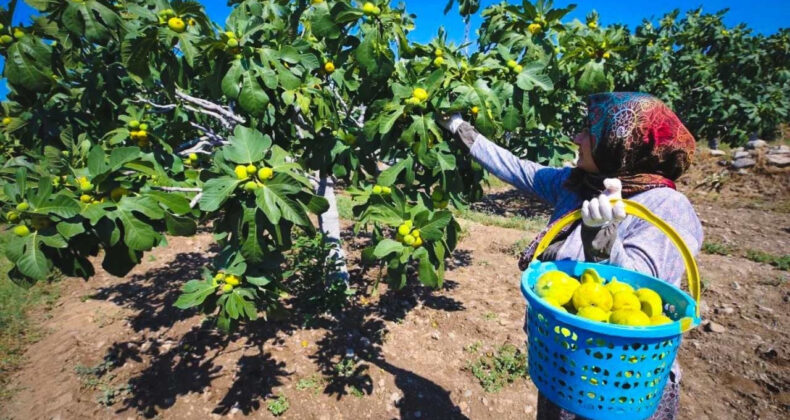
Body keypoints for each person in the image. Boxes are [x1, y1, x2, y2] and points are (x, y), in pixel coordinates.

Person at [438, 92, 703, 420]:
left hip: (622, 380)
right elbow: (518, 169)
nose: (576, 137)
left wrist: (603, 242)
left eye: (588, 133)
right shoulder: (578, 185)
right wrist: (461, 129)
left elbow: (640, 292)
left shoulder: (667, 208)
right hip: (564, 366)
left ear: (617, 145)